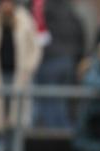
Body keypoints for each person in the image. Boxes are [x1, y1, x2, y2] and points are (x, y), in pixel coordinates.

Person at [0, 0, 41, 151]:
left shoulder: (25, 19)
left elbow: (35, 47)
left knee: (15, 117)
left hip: (18, 77)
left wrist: (28, 68)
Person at [34, 0, 84, 129]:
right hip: (69, 59)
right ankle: (64, 133)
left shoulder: (40, 6)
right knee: (62, 101)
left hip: (49, 59)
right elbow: (80, 32)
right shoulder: (69, 9)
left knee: (49, 101)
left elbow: (38, 34)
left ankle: (55, 136)